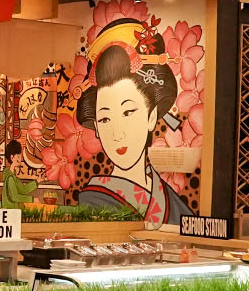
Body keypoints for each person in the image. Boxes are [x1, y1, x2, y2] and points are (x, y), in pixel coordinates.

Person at [74, 44, 192, 225]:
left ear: (151, 117)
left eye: (128, 112)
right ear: (96, 128)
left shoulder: (168, 198)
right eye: (105, 119)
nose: (117, 134)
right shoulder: (93, 200)